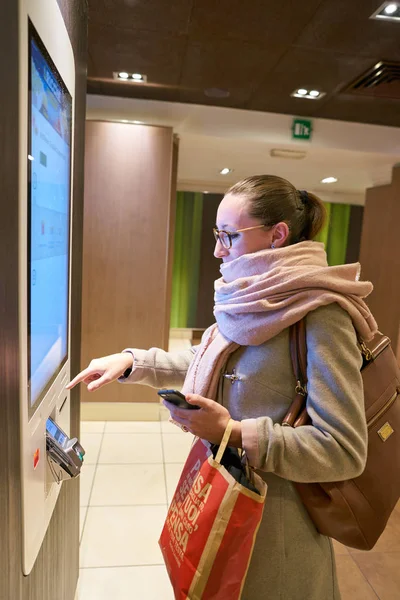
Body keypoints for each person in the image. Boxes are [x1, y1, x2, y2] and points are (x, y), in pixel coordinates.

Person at [68, 175, 377, 600]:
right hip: (227, 504)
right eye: (217, 235)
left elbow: (343, 449)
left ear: (277, 235)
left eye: (228, 236)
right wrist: (132, 362)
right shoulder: (251, 296)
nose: (217, 250)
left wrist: (232, 432)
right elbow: (212, 360)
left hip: (278, 535)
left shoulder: (320, 314)